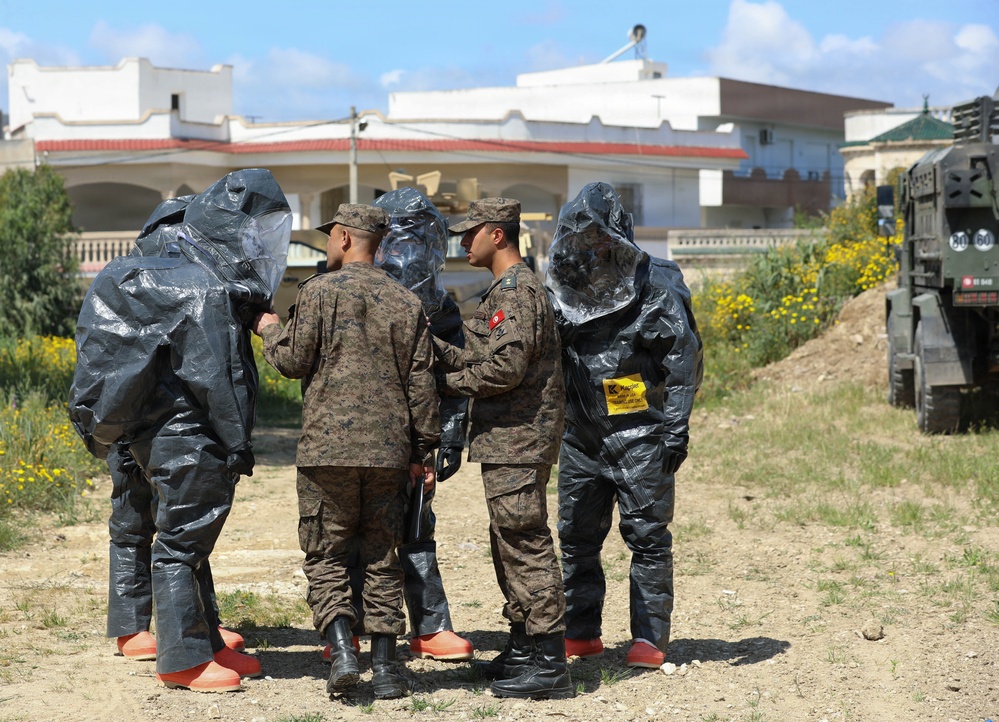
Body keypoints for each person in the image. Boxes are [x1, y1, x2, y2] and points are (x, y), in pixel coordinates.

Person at [69, 169, 293, 692]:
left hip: (151, 432)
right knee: (180, 546)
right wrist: (238, 443)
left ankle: (202, 641)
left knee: (180, 540)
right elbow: (221, 376)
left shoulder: (137, 276)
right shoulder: (201, 287)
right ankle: (183, 661)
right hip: (190, 433)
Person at [253, 203, 440, 700]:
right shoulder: (406, 301)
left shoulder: (316, 293)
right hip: (388, 452)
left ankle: (341, 654)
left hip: (325, 453)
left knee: (326, 554)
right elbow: (421, 386)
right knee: (382, 556)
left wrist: (269, 328)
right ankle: (386, 669)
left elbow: (292, 362)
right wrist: (424, 451)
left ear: (342, 238)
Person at [544, 181, 702, 669]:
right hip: (580, 432)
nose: (589, 245)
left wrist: (675, 427)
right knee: (575, 535)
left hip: (638, 430)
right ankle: (581, 630)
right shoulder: (566, 281)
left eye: (597, 235)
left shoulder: (655, 283)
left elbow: (681, 358)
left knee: (648, 536)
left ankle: (649, 639)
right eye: (580, 236)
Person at [432, 198, 573, 700]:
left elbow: (504, 370)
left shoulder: (515, 292)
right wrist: (432, 350)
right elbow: (479, 350)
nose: (463, 242)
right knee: (507, 540)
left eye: (470, 234)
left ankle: (550, 661)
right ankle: (524, 645)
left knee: (524, 542)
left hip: (519, 438)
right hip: (509, 440)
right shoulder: (504, 290)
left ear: (497, 234)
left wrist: (448, 381)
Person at [338, 187, 473, 662]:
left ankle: (431, 627)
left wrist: (450, 439)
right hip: (353, 437)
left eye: (422, 240)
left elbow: (454, 377)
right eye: (403, 238)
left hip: (413, 439)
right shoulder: (340, 288)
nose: (412, 252)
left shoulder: (439, 308)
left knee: (417, 526)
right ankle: (346, 633)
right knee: (349, 533)